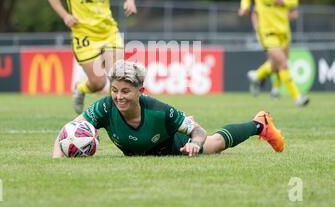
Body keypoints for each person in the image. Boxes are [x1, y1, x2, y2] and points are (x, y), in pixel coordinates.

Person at [52, 60, 285, 158]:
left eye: (125, 91)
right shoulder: (104, 106)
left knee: (215, 144)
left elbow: (200, 132)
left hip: (174, 145)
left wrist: (194, 141)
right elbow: (69, 130)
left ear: (140, 91)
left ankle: (259, 124)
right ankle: (184, 123)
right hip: (150, 144)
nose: (118, 97)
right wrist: (58, 158)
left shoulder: (158, 110)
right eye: (114, 90)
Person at [48, 0, 137, 114]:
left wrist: (130, 1)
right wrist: (65, 16)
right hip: (84, 33)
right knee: (98, 83)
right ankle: (80, 88)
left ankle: (117, 120)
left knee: (118, 77)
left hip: (108, 30)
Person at [238, 0, 309, 107]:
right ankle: (298, 97)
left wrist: (285, 2)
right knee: (283, 63)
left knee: (276, 64)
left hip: (284, 30)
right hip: (266, 31)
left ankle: (257, 75)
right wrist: (244, 7)